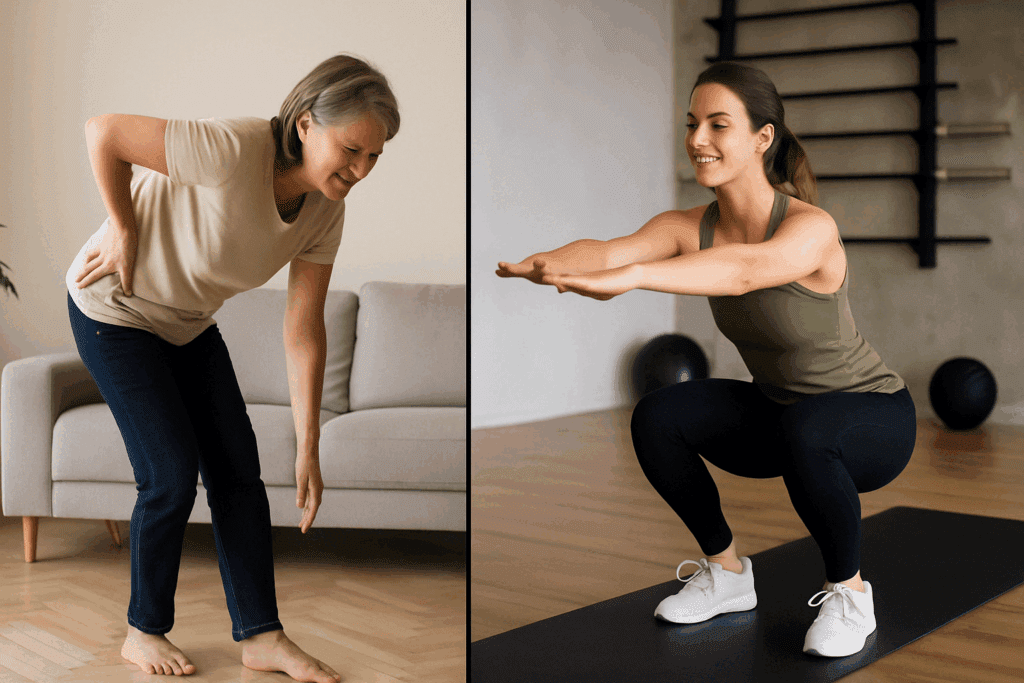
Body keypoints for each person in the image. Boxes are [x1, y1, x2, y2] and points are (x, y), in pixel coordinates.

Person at [496, 61, 916, 658]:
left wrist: (635, 277)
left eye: (718, 125)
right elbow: (609, 249)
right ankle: (728, 575)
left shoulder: (810, 228)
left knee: (810, 427)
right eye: (693, 123)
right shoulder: (688, 226)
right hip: (782, 414)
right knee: (659, 415)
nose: (697, 139)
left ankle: (850, 593)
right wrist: (549, 261)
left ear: (761, 138)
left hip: (872, 418)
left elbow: (742, 272)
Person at [66, 54, 398, 680]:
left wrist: (309, 443)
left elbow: (303, 330)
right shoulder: (232, 148)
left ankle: (262, 637)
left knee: (239, 472)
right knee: (169, 471)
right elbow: (102, 130)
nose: (359, 170)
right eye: (351, 149)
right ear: (305, 124)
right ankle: (142, 631)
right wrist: (121, 225)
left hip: (187, 323)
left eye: (374, 157)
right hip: (112, 306)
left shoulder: (326, 210)